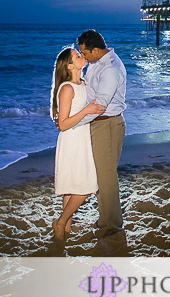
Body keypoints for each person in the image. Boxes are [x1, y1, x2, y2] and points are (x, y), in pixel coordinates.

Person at [50, 46, 105, 241]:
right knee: (85, 187)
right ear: (70, 66)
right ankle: (61, 221)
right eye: (77, 55)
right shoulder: (67, 88)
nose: (82, 56)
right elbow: (63, 124)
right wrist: (87, 110)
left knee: (73, 188)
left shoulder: (82, 83)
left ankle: (65, 230)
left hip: (82, 138)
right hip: (72, 141)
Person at [76, 29, 127, 237]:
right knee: (101, 176)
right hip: (97, 123)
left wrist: (75, 122)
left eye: (85, 53)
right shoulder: (96, 64)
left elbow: (100, 104)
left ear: (96, 50)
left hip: (108, 124)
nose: (83, 57)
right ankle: (104, 219)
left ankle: (112, 225)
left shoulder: (111, 69)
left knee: (106, 177)